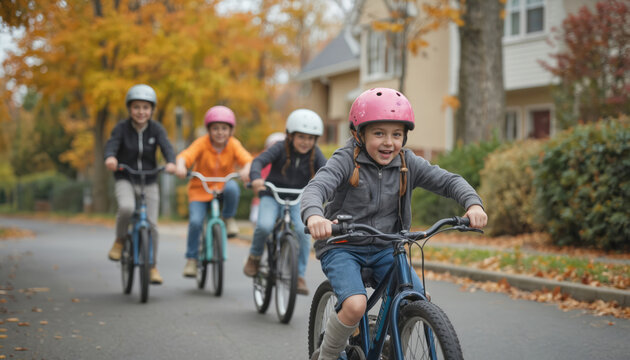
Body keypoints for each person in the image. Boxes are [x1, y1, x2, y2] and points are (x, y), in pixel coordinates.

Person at [301, 88, 488, 360]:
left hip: (387, 247)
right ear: (359, 134)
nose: (389, 142)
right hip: (342, 245)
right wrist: (315, 216)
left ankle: (393, 344)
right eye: (379, 133)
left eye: (396, 134)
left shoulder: (407, 162)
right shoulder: (345, 159)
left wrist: (473, 204)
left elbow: (449, 181)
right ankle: (327, 354)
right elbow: (317, 187)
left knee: (417, 298)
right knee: (354, 306)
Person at [243, 109, 327, 295]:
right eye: (301, 137)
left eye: (311, 138)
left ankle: (299, 276)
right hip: (272, 195)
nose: (306, 142)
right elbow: (258, 162)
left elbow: (328, 171)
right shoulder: (279, 147)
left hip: (299, 198)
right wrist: (256, 178)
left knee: (303, 232)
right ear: (290, 135)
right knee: (264, 226)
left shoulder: (315, 153)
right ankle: (255, 257)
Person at [104, 84, 176, 285]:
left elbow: (167, 147)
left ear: (152, 109)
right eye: (136, 107)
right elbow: (112, 145)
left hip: (150, 179)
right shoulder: (121, 128)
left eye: (145, 107)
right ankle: (120, 241)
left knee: (152, 225)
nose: (141, 112)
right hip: (126, 177)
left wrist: (171, 162)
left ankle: (152, 265)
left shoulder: (156, 129)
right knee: (127, 208)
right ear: (129, 109)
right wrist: (110, 157)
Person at [175, 105, 253, 278]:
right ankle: (192, 260)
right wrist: (181, 166)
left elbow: (247, 159)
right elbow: (186, 156)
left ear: (231, 130)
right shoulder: (201, 143)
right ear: (208, 129)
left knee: (233, 187)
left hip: (223, 187)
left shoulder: (233, 144)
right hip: (200, 190)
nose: (220, 132)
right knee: (195, 222)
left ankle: (228, 218)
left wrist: (247, 169)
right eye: (215, 128)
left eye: (224, 128)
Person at [248, 132, 286, 224]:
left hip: (285, 198)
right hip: (264, 197)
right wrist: (258, 183)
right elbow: (256, 178)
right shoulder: (264, 163)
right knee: (258, 221)